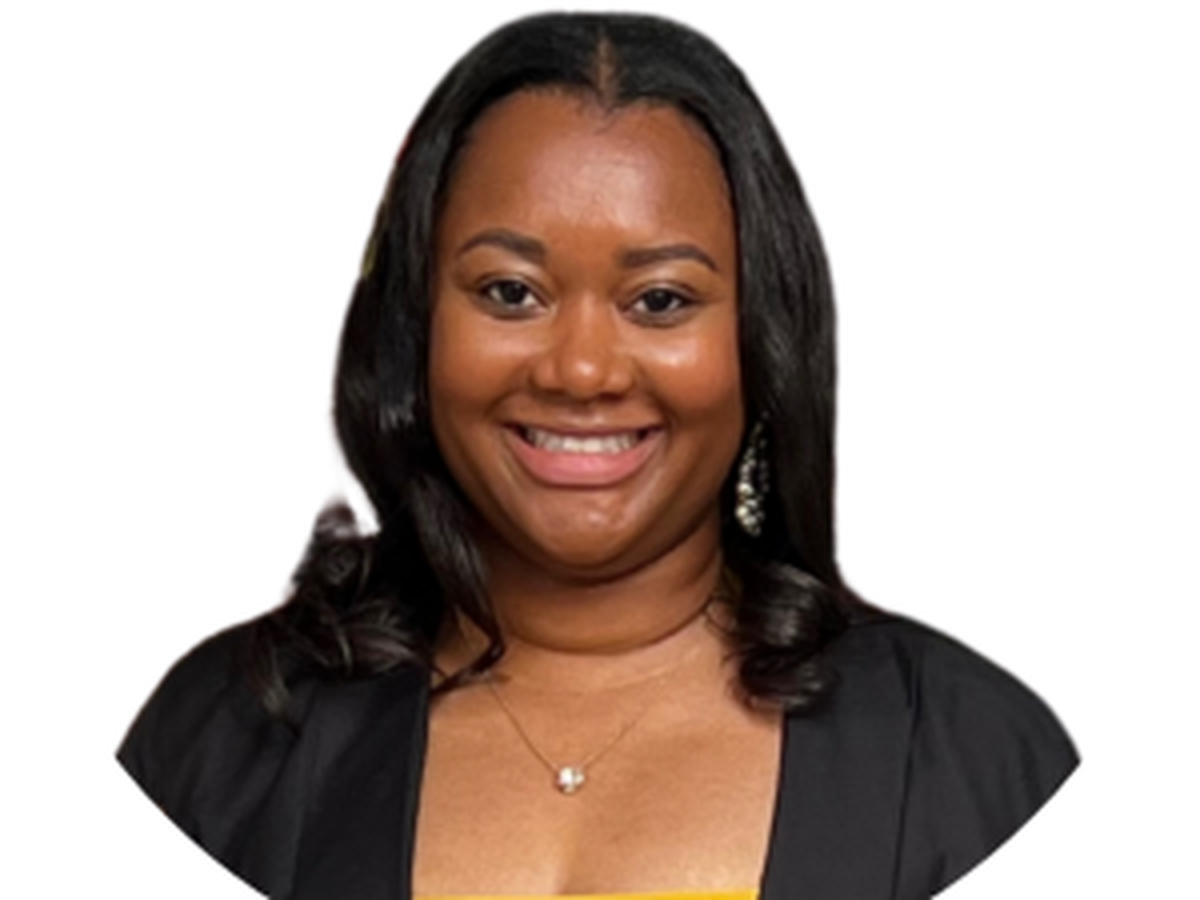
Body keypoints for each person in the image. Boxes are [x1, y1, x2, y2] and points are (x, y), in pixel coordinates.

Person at [118, 12, 1077, 899]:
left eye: (660, 301)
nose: (581, 371)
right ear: (416, 324)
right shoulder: (226, 738)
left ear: (762, 341)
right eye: (510, 292)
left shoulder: (965, 756)